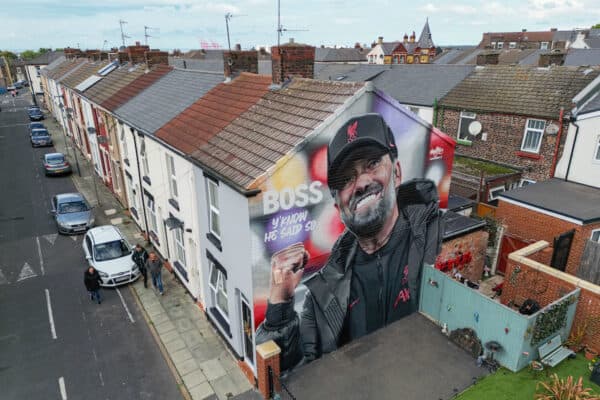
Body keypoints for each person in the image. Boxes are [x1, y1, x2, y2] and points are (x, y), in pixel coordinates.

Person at [256, 113, 443, 371]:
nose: (361, 183)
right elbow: (293, 376)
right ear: (338, 207)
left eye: (373, 164)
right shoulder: (323, 293)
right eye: (346, 179)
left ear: (397, 174)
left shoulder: (439, 238)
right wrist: (280, 307)